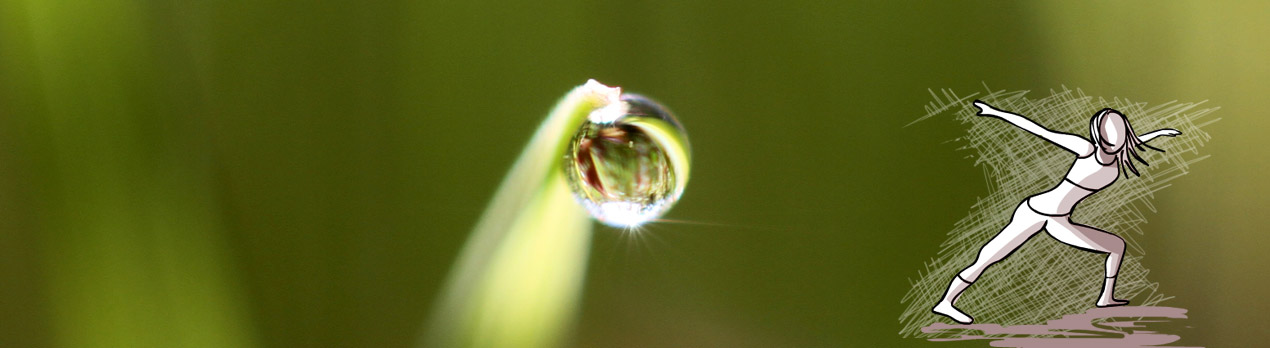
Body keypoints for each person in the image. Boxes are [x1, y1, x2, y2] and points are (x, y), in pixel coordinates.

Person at [931, 100, 1182, 324]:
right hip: (1036, 211)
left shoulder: (1118, 155)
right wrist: (995, 112)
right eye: (1109, 130)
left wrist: (1159, 133)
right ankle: (946, 303)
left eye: (1119, 129)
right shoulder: (1085, 149)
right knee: (988, 257)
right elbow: (1039, 130)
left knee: (1116, 246)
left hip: (1060, 220)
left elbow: (1136, 140)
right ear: (1099, 135)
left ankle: (1106, 298)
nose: (1115, 136)